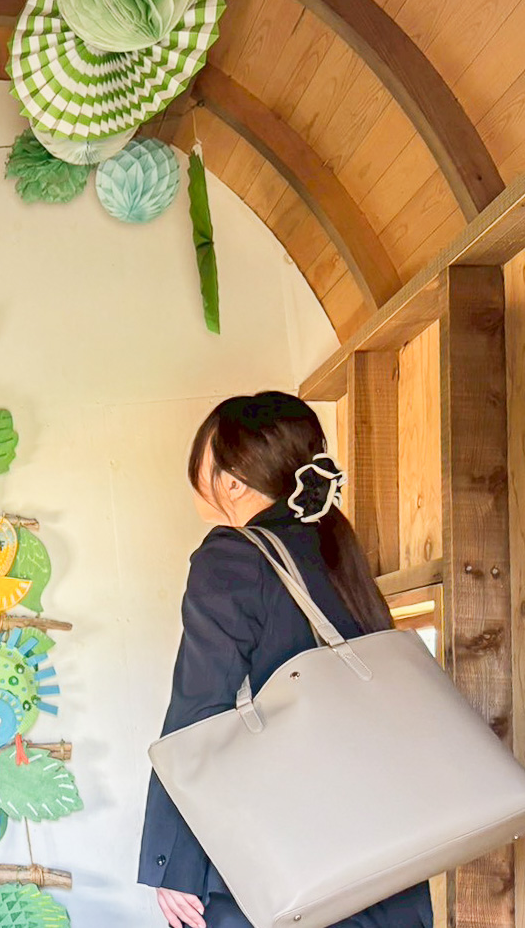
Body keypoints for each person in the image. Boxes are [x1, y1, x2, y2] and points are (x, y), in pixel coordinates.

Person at [139, 392, 432, 928]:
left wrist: (174, 861)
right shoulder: (336, 547)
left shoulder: (230, 557)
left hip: (288, 855)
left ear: (232, 482)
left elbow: (199, 711)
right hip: (386, 851)